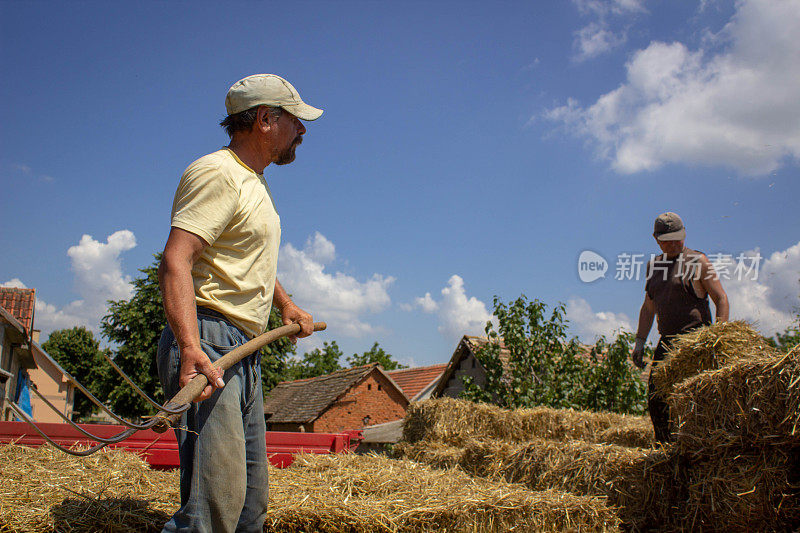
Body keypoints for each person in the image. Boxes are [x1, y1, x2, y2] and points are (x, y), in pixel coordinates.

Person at [156, 74, 323, 532]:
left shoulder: (255, 183)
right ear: (266, 119)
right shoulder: (217, 172)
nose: (303, 131)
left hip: (243, 351)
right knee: (214, 510)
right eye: (296, 120)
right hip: (210, 342)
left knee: (249, 509)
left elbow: (246, 260)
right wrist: (190, 346)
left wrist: (284, 303)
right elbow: (176, 259)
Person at [631, 212, 729, 443]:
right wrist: (639, 342)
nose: (675, 244)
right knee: (657, 400)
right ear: (656, 239)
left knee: (696, 400)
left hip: (695, 340)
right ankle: (666, 453)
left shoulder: (698, 261)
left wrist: (719, 337)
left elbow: (721, 298)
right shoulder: (654, 266)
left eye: (678, 238)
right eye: (668, 240)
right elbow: (648, 308)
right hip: (667, 342)